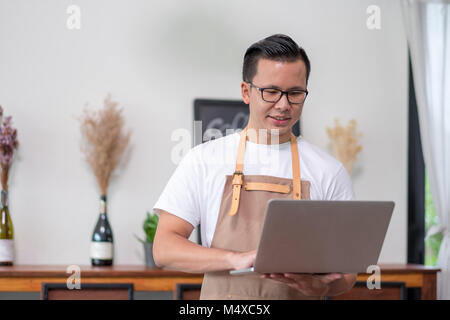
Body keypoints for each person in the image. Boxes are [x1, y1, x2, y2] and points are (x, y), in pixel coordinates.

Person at [153, 34, 357, 300]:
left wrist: (324, 286)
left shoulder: (329, 171)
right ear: (246, 92)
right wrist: (236, 259)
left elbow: (348, 272)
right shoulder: (203, 159)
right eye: (271, 92)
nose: (284, 105)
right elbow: (165, 248)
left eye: (295, 93)